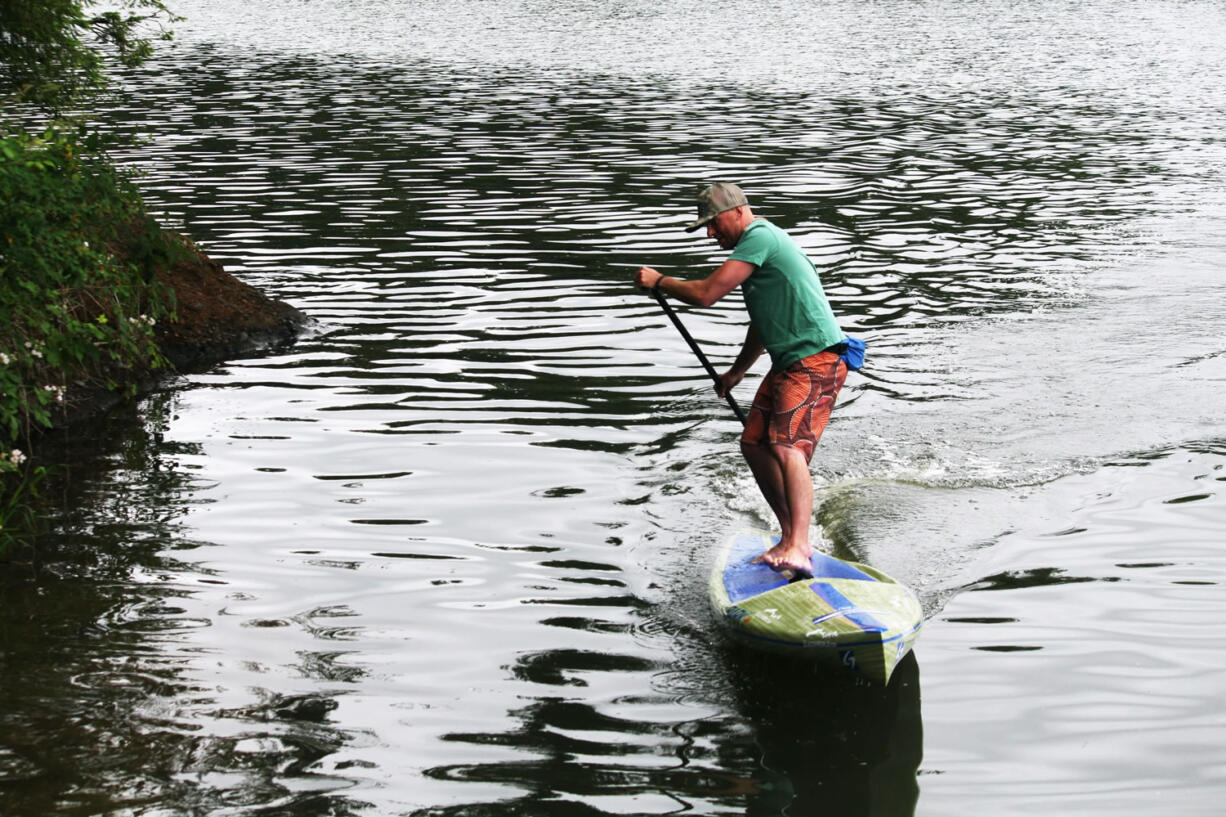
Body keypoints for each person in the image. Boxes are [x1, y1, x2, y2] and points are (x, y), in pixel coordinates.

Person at [635, 182, 849, 574]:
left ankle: (800, 546)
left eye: (713, 223)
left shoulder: (760, 236)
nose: (710, 233)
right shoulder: (757, 251)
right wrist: (736, 373)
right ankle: (790, 537)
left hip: (817, 359)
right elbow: (762, 323)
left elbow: (706, 294)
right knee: (753, 443)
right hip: (789, 362)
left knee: (786, 447)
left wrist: (660, 281)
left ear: (737, 212)